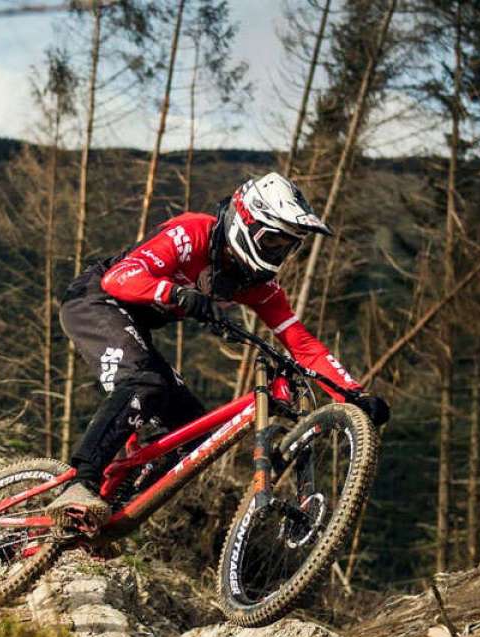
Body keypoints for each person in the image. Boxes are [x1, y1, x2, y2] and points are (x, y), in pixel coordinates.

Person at [48, 172, 390, 534]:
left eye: (286, 247)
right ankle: (80, 483)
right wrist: (175, 294)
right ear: (246, 222)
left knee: (192, 429)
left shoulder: (258, 286)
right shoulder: (193, 232)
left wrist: (354, 394)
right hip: (95, 300)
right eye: (271, 241)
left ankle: (109, 509)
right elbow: (119, 278)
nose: (277, 253)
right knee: (144, 383)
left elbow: (302, 344)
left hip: (134, 320)